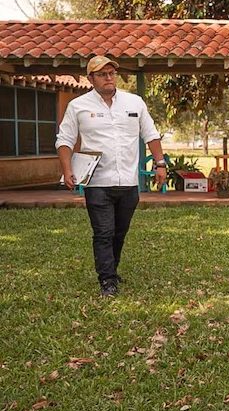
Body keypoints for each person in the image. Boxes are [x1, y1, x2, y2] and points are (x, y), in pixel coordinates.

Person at [56, 55, 166, 297]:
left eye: (111, 73)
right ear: (91, 78)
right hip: (97, 183)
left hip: (128, 182)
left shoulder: (134, 102)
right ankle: (107, 280)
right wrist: (67, 170)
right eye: (102, 74)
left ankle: (111, 270)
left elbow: (151, 134)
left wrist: (160, 164)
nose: (108, 78)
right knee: (103, 232)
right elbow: (64, 140)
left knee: (119, 232)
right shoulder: (78, 106)